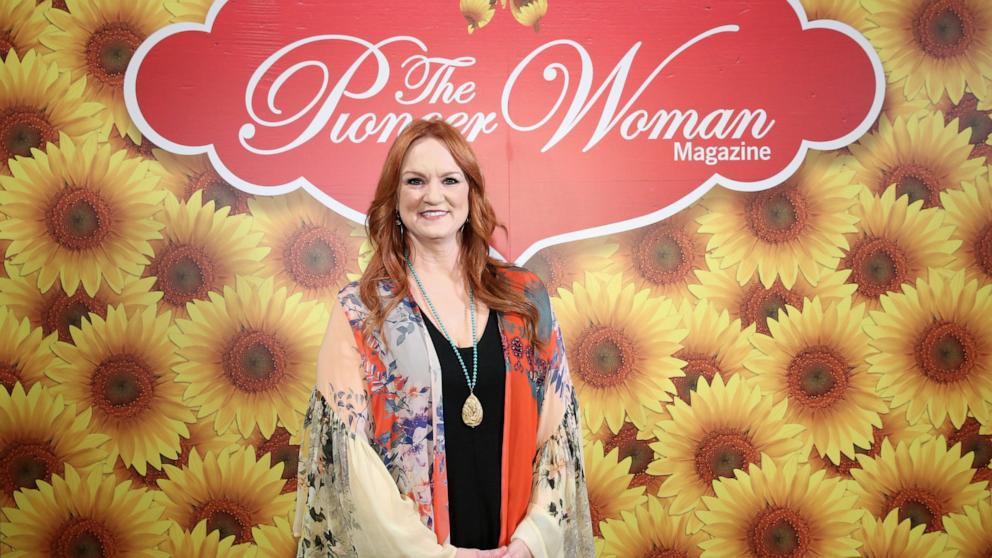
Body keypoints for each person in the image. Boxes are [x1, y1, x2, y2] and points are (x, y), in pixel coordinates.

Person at [292, 119, 595, 557]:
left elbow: (558, 442)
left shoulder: (525, 298)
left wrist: (530, 543)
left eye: (449, 180)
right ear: (394, 200)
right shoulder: (361, 313)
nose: (432, 195)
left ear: (470, 195)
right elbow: (351, 470)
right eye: (415, 181)